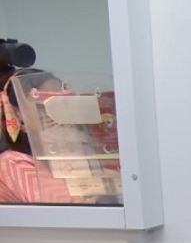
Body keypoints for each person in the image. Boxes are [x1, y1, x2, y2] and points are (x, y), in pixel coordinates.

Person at [0, 67, 119, 204]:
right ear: (18, 115)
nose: (63, 115)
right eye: (48, 106)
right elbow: (64, 209)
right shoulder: (13, 162)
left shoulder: (61, 159)